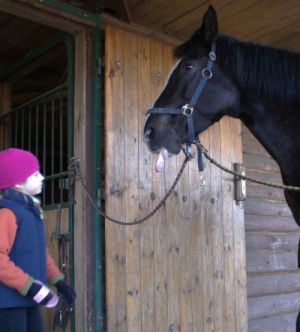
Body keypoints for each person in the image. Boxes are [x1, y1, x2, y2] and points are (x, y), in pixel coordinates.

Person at [0, 147, 76, 332]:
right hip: (8, 304)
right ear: (18, 184)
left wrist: (59, 281)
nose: (42, 177)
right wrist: (30, 286)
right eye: (35, 174)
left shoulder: (31, 212)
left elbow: (37, 254)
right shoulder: (8, 214)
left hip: (27, 299)